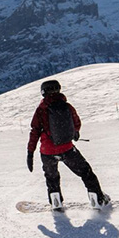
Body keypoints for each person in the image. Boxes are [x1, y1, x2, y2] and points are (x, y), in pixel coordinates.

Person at [26, 79, 109, 210]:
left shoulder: (41, 110)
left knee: (52, 177)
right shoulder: (67, 106)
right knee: (86, 172)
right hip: (67, 149)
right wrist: (74, 133)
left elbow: (34, 131)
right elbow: (76, 122)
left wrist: (30, 153)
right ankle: (97, 199)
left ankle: (56, 203)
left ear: (43, 92)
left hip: (47, 152)